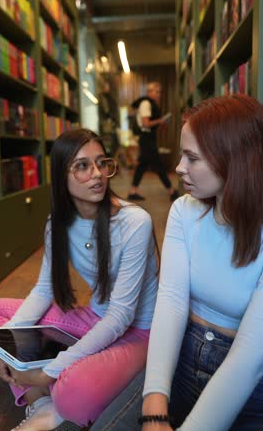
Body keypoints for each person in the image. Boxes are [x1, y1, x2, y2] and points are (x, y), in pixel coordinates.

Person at [92, 94, 263, 430]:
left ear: (235, 161)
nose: (178, 168)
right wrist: (155, 403)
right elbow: (171, 301)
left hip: (251, 387)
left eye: (192, 158)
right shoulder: (184, 210)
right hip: (183, 354)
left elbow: (249, 358)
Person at [0, 128, 159, 430]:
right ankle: (43, 400)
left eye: (101, 163)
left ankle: (45, 387)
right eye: (83, 166)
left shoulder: (134, 222)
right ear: (61, 175)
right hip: (94, 319)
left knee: (75, 394)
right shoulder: (57, 224)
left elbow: (122, 315)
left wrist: (52, 371)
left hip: (140, 333)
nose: (97, 174)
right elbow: (44, 289)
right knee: (2, 324)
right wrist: (3, 346)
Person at [127, 82, 178, 202]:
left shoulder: (150, 104)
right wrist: (159, 121)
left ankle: (132, 192)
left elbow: (150, 124)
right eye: (156, 91)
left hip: (148, 138)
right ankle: (171, 190)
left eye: (160, 92)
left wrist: (159, 124)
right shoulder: (146, 103)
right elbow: (146, 124)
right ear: (149, 92)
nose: (158, 94)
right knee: (158, 164)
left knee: (142, 165)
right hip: (146, 138)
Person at [98, 80, 120, 156]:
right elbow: (106, 111)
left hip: (110, 126)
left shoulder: (110, 98)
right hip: (107, 127)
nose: (106, 88)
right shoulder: (103, 98)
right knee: (108, 146)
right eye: (105, 86)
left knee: (112, 146)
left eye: (107, 86)